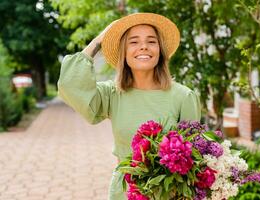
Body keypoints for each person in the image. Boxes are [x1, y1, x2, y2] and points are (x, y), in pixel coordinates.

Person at [57, 12, 201, 200]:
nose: (143, 46)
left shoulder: (183, 97)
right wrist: (99, 41)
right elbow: (69, 85)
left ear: (160, 50)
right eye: (133, 42)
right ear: (123, 52)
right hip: (125, 192)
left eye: (151, 41)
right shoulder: (112, 93)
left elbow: (196, 157)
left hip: (171, 194)